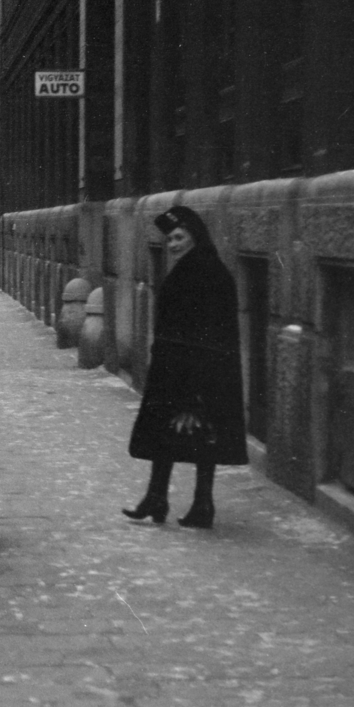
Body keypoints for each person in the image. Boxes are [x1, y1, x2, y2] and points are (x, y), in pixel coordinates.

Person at [121, 205, 247, 529]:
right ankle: (160, 498)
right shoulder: (194, 268)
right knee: (170, 433)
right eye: (169, 240)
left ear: (195, 237)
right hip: (176, 371)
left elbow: (208, 337)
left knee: (198, 433)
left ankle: (198, 503)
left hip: (192, 374)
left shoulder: (206, 273)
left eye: (179, 237)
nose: (173, 244)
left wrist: (193, 396)